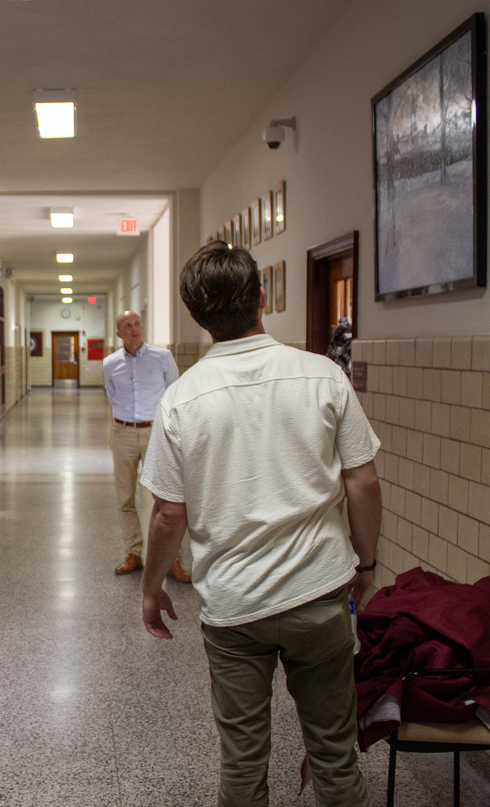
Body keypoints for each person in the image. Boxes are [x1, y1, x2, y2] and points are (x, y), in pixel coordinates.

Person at [140, 244, 381, 807]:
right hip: (319, 591)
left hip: (235, 607)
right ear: (263, 297)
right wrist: (365, 565)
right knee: (335, 755)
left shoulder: (181, 401)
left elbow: (169, 514)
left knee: (244, 764)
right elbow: (363, 483)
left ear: (196, 316)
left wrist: (152, 589)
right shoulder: (323, 375)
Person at [102, 310, 190, 582]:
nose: (134, 329)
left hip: (156, 433)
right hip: (123, 432)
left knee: (166, 497)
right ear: (119, 333)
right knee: (125, 498)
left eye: (137, 323)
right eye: (127, 326)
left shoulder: (162, 357)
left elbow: (174, 393)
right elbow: (112, 395)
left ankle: (173, 560)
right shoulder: (109, 363)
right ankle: (133, 553)